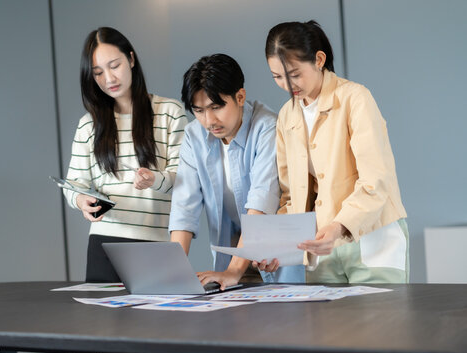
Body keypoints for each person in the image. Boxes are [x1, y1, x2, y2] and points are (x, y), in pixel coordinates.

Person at [258, 20, 409, 283]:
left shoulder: (355, 98)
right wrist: (279, 246)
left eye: (294, 74)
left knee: (382, 323)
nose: (287, 85)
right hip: (321, 249)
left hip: (372, 238)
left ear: (318, 59)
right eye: (277, 77)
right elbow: (291, 195)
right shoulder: (286, 115)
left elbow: (376, 181)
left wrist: (337, 228)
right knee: (328, 325)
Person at [169, 54, 305, 290]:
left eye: (216, 107)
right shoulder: (193, 136)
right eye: (199, 110)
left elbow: (261, 204)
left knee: (287, 321)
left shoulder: (267, 128)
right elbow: (184, 207)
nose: (209, 120)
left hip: (274, 254)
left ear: (240, 97)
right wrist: (170, 273)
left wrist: (233, 271)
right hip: (232, 257)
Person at [64, 27, 188, 282]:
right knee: (103, 322)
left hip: (156, 243)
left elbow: (185, 180)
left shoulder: (170, 112)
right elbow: (74, 184)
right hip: (104, 244)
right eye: (98, 72)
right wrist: (81, 201)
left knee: (158, 321)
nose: (109, 78)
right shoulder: (89, 125)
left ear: (131, 60)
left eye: (115, 65)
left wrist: (154, 180)